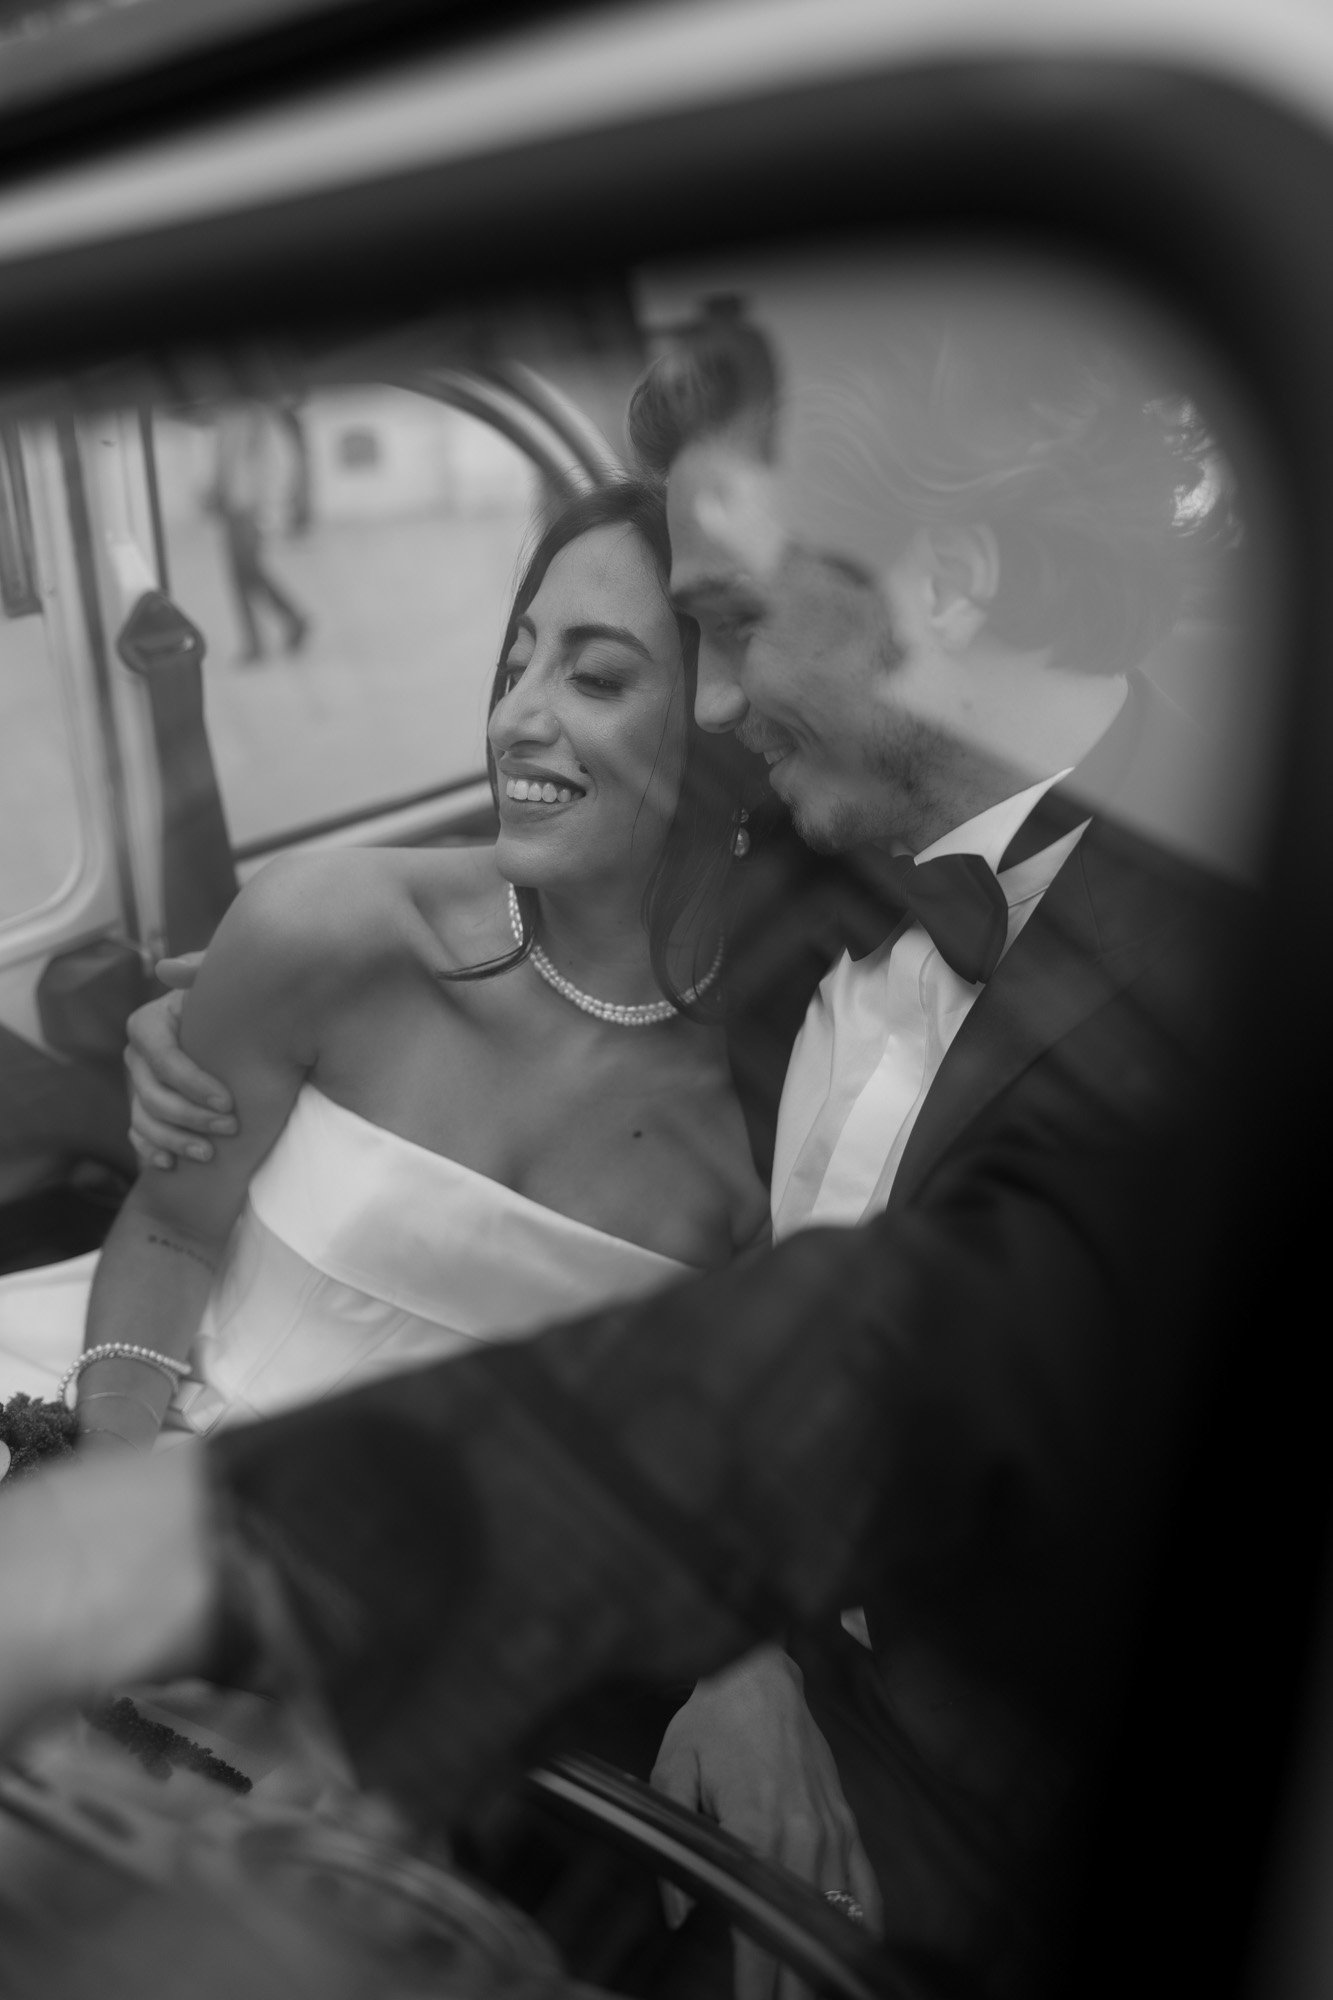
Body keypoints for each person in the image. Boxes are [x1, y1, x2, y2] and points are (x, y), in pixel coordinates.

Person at [0, 268, 1246, 1999]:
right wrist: (190, 1023)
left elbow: (920, 1368)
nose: (719, 704)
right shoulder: (815, 847)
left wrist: (746, 1647)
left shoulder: (1213, 1023)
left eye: (722, 631)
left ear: (937, 592)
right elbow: (522, 920)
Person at [0, 480, 765, 1455]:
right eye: (517, 662)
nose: (509, 721)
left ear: (731, 717)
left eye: (597, 678)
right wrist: (112, 1477)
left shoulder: (776, 1099)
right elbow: (167, 1226)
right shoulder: (321, 925)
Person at [212, 402, 310, 662]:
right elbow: (226, 460)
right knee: (243, 573)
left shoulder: (260, 419)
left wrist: (268, 509)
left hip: (250, 509)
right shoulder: (232, 415)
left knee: (249, 571)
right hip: (234, 507)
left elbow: (276, 466)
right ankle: (263, 635)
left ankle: (287, 621)